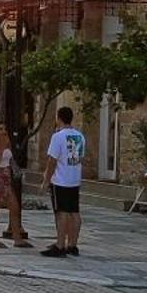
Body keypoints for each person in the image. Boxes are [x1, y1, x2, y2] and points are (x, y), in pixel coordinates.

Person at [42, 104, 87, 256]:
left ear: (58, 118)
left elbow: (52, 160)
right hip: (74, 179)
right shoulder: (79, 136)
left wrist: (46, 179)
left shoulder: (58, 136)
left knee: (61, 212)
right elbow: (80, 158)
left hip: (61, 180)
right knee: (74, 211)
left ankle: (60, 245)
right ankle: (72, 244)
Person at [0, 121, 30, 250]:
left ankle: (17, 238)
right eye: (0, 129)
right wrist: (2, 147)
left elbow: (9, 159)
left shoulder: (7, 142)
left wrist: (15, 170)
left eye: (4, 128)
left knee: (14, 207)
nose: (3, 131)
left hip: (5, 177)